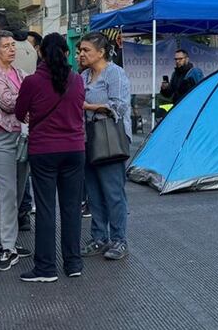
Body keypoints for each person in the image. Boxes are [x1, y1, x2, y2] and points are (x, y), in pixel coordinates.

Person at [14, 33, 86, 283]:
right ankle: (73, 263)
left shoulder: (32, 82)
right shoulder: (77, 80)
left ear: (41, 53)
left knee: (45, 210)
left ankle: (46, 267)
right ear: (66, 53)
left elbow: (19, 112)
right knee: (71, 208)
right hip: (75, 149)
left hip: (44, 150)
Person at [78, 32, 131, 261]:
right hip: (87, 139)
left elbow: (117, 108)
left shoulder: (115, 74)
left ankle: (120, 239)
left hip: (110, 139)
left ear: (101, 52)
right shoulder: (81, 77)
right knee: (93, 192)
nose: (81, 54)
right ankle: (99, 238)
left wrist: (87, 106)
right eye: (80, 50)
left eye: (86, 50)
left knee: (113, 192)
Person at [0, 30, 30, 271]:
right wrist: (27, 97)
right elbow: (8, 102)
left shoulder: (19, 72)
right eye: (6, 46)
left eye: (13, 45)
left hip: (20, 135)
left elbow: (23, 99)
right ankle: (7, 247)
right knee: (8, 191)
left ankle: (6, 241)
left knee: (17, 192)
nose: (12, 49)